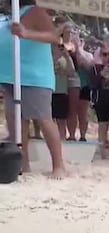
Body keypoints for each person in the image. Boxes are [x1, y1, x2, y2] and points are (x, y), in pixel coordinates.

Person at [0, 1, 67, 178]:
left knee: (43, 119)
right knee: (16, 121)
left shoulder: (35, 11)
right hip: (10, 76)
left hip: (33, 76)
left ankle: (58, 166)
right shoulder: (8, 15)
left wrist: (26, 33)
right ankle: (22, 164)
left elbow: (54, 36)